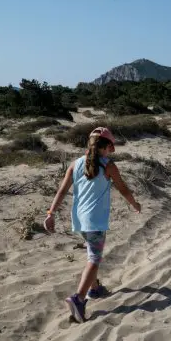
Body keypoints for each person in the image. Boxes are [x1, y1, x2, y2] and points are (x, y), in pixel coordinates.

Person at [43, 126, 141, 323]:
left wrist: (51, 213)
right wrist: (135, 204)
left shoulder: (75, 164)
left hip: (79, 220)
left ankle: (95, 289)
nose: (111, 152)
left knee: (90, 252)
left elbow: (62, 191)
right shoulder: (108, 166)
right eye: (111, 148)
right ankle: (78, 299)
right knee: (94, 258)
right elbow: (123, 189)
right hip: (95, 221)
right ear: (106, 147)